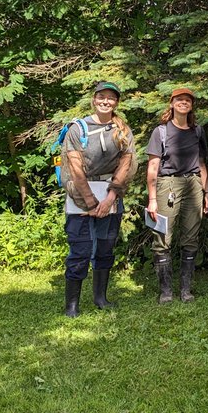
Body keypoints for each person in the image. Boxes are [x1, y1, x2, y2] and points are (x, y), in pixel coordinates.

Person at [60, 81, 136, 317]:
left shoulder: (122, 130)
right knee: (80, 249)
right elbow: (74, 168)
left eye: (111, 98)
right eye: (101, 97)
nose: (106, 101)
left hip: (110, 197)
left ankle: (100, 298)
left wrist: (111, 197)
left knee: (105, 248)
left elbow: (126, 165)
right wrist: (91, 203)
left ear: (117, 102)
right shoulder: (77, 129)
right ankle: (72, 305)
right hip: (80, 198)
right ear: (94, 99)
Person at [145, 87, 208, 304]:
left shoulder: (197, 131)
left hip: (193, 184)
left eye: (188, 100)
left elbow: (202, 163)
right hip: (167, 185)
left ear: (191, 105)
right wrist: (152, 199)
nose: (183, 103)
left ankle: (186, 290)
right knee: (162, 236)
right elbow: (153, 167)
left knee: (191, 237)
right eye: (179, 99)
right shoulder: (161, 132)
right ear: (172, 104)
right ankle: (166, 291)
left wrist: (206, 191)